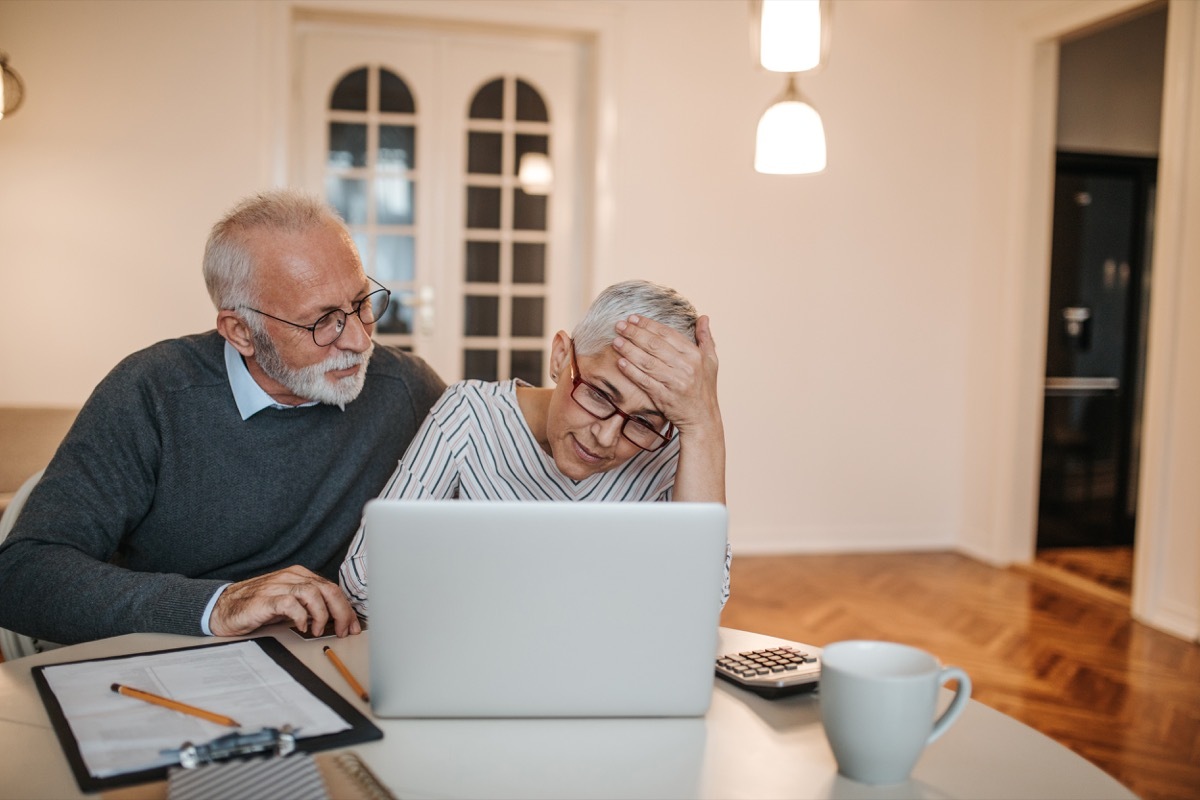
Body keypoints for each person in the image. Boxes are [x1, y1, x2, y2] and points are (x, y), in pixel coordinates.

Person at [0, 189, 445, 645]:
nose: (358, 339)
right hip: (174, 662)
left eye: (361, 303)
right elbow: (22, 574)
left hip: (335, 661)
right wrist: (219, 605)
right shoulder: (153, 393)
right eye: (322, 321)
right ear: (241, 332)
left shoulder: (405, 386)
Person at [340, 279, 729, 617]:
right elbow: (363, 579)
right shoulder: (471, 414)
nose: (606, 438)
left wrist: (703, 424)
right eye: (598, 394)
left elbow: (699, 605)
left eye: (643, 421)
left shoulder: (667, 449)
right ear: (561, 357)